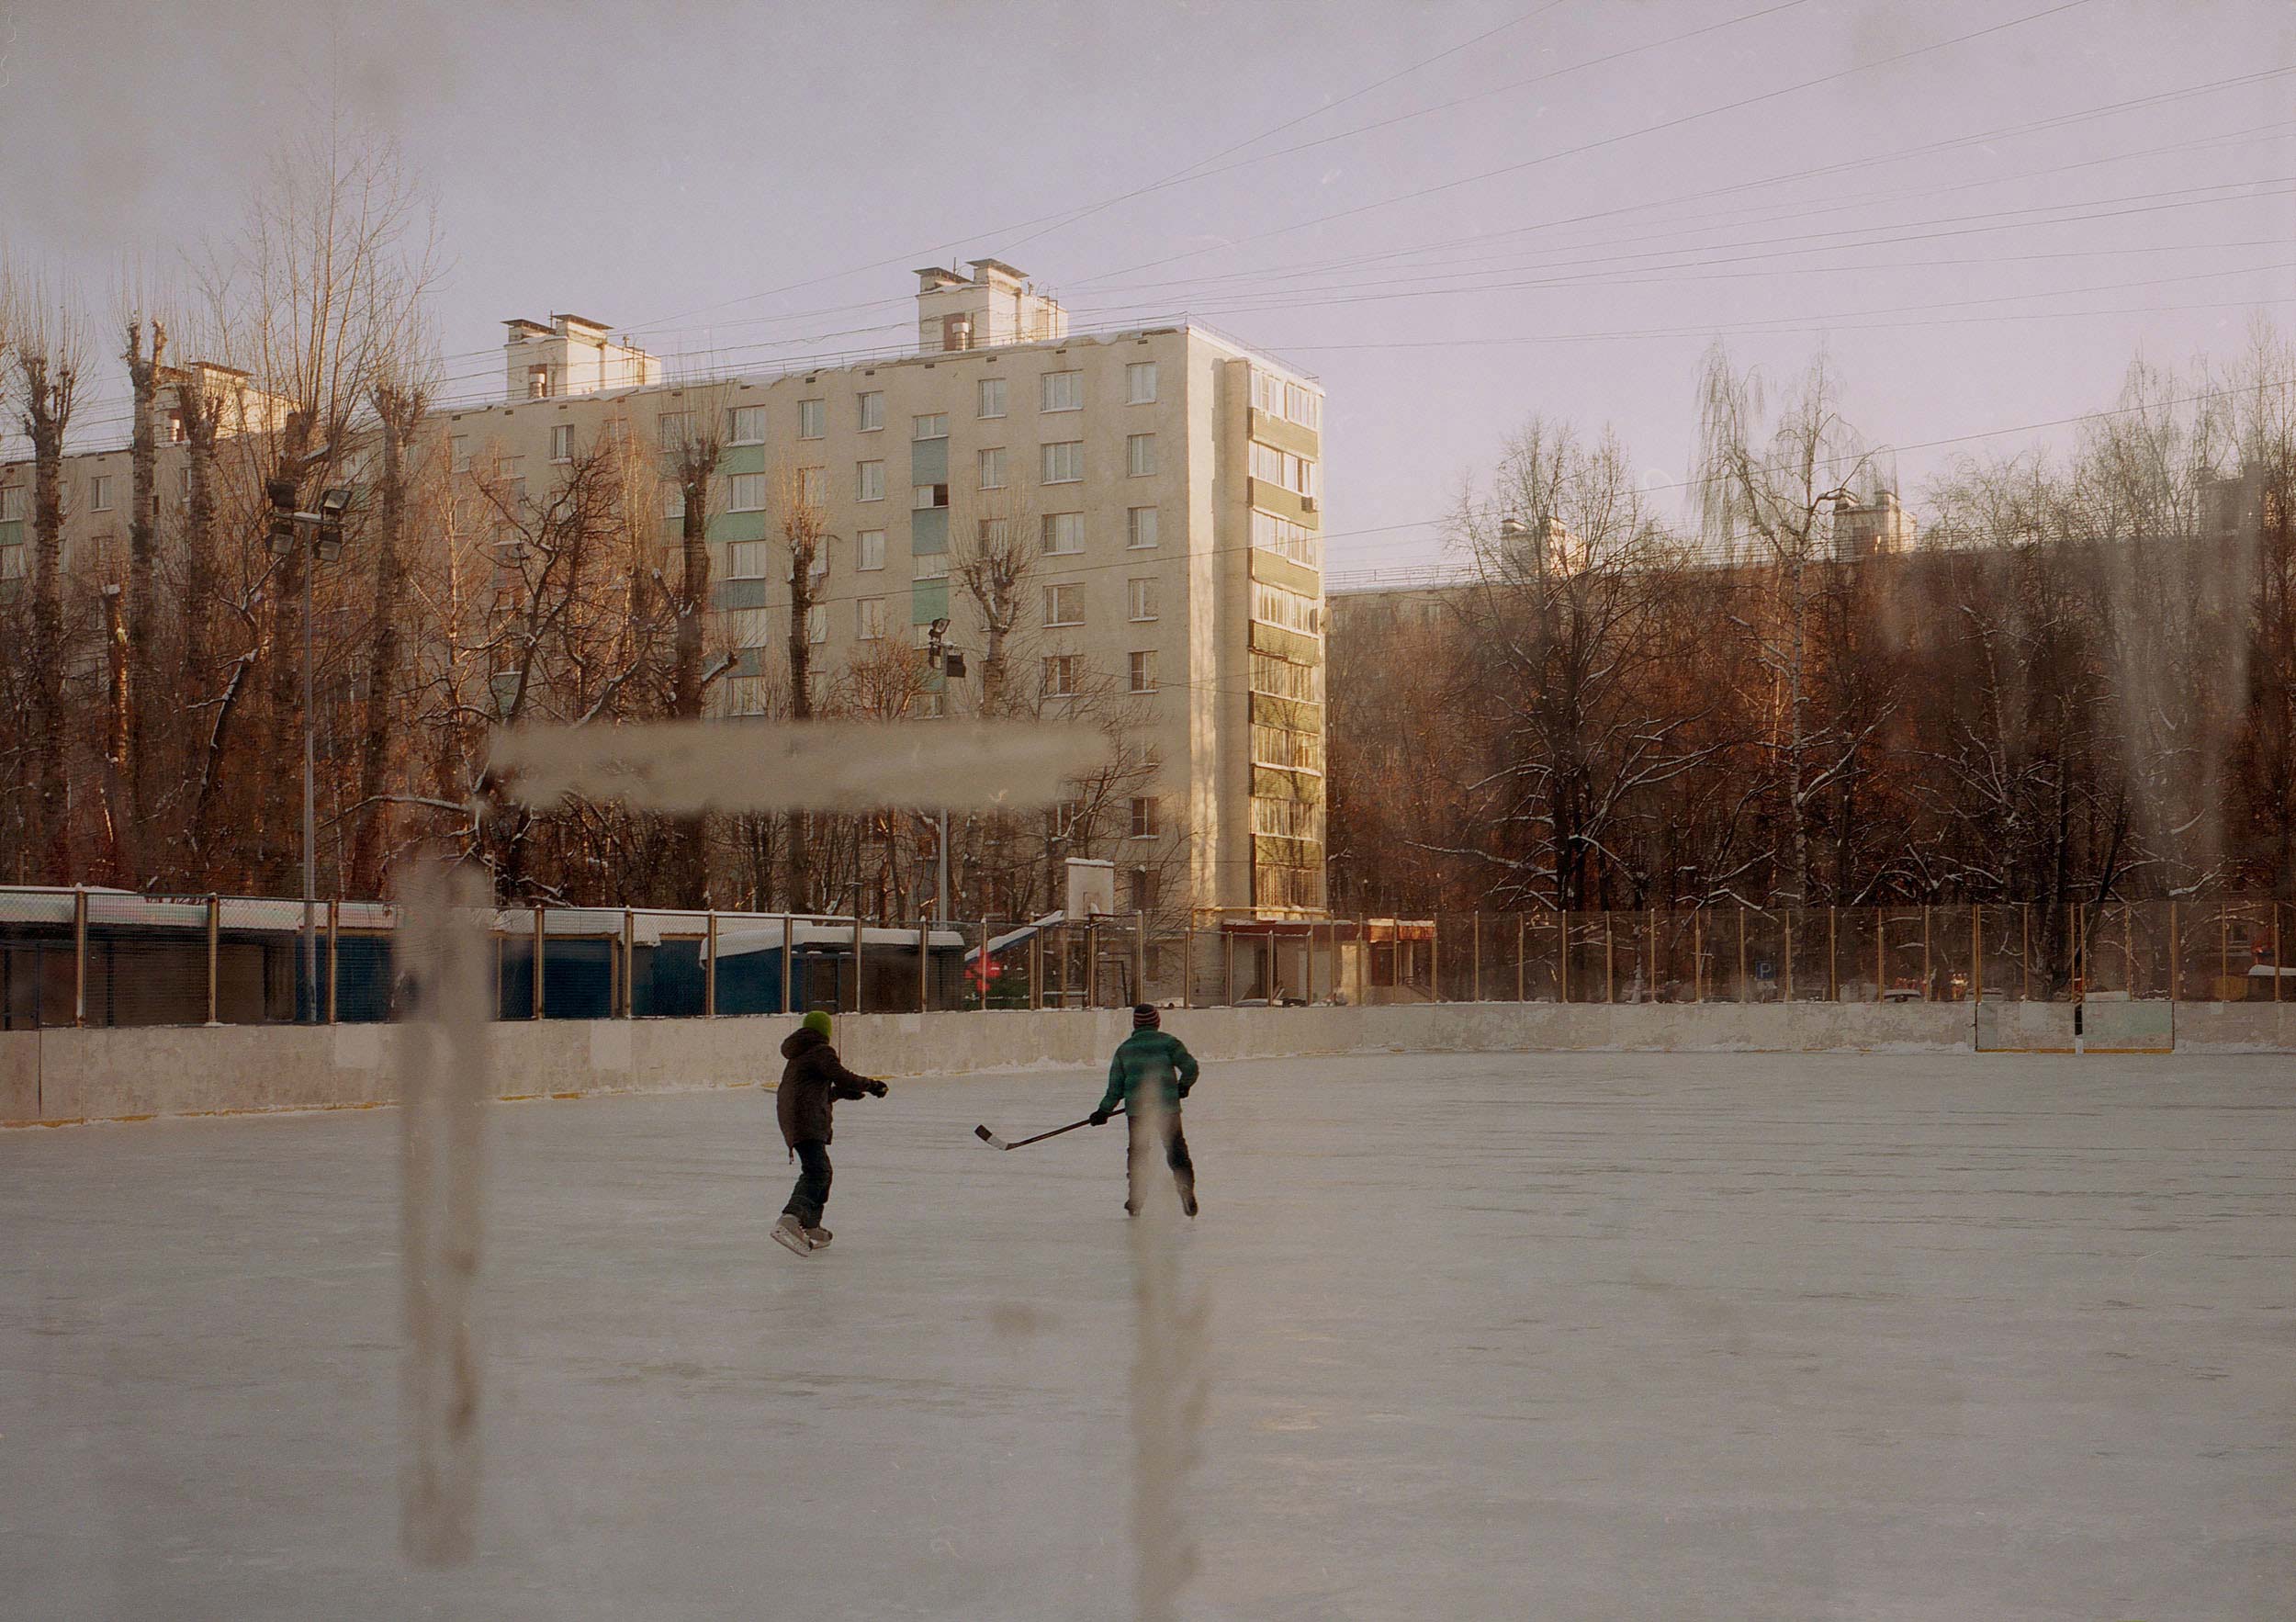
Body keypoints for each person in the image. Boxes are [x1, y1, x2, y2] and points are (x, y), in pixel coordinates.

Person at [773, 1009, 887, 1256]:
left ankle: (811, 1225)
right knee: (817, 1172)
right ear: (825, 1031)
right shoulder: (819, 1050)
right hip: (807, 1121)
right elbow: (841, 1075)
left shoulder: (799, 1054)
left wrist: (840, 1094)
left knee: (821, 1172)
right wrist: (871, 1085)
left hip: (796, 1119)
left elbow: (813, 1092)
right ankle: (791, 1217)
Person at [1091, 1005, 1201, 1217]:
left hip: (1138, 1111)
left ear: (1135, 1024)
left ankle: (1136, 1200)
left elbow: (1115, 1087)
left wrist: (1103, 1111)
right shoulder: (1169, 1043)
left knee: (1139, 1154)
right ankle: (1185, 1190)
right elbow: (1190, 1067)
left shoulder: (1125, 1049)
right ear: (1157, 1022)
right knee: (1176, 1150)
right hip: (1167, 1108)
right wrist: (1183, 1085)